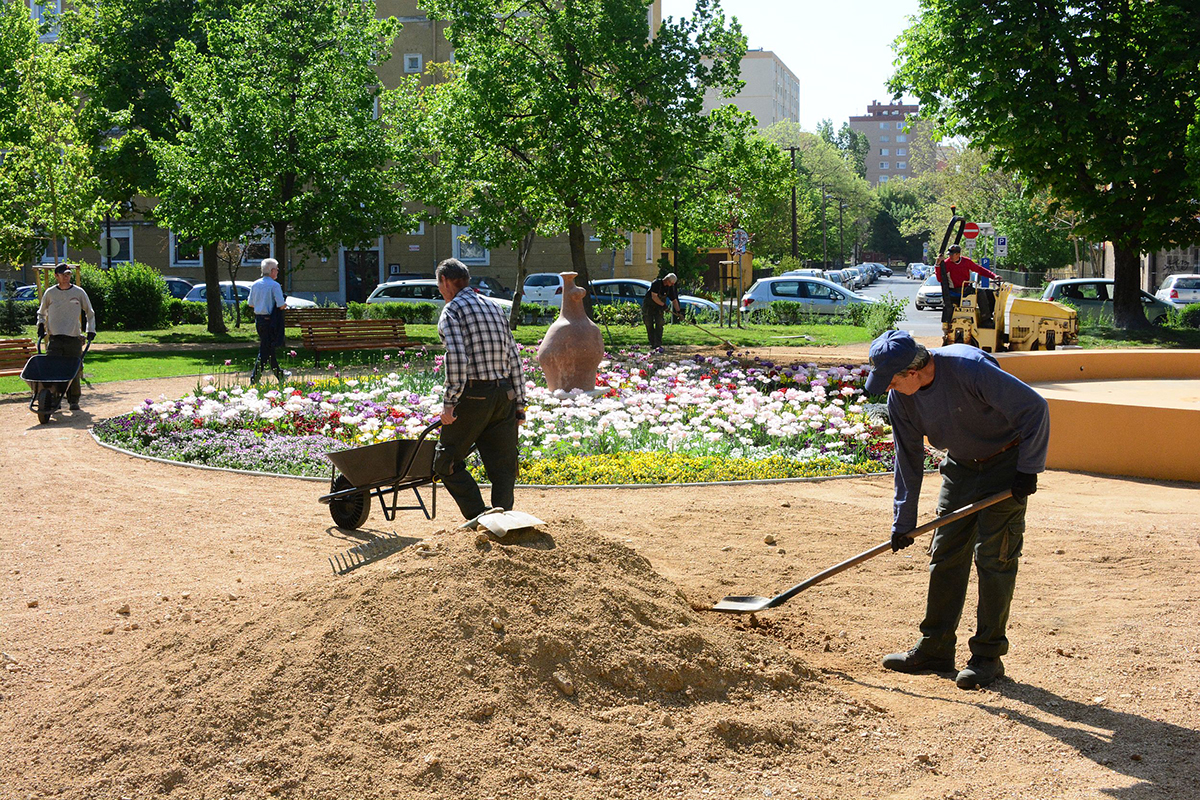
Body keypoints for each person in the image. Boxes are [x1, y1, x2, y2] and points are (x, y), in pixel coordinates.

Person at [864, 330, 1049, 690]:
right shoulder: (903, 400)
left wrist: (1028, 470)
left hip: (1006, 464)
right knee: (945, 552)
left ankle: (987, 657)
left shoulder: (970, 369)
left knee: (995, 557)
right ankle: (935, 648)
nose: (889, 390)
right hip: (961, 467)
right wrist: (903, 521)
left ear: (913, 372)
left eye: (892, 382)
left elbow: (1035, 409)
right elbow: (909, 458)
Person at [433, 258, 525, 523]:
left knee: (445, 461)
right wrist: (519, 404)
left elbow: (458, 358)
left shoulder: (452, 311)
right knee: (504, 466)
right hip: (504, 396)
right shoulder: (494, 307)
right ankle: (504, 521)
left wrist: (449, 402)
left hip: (474, 396)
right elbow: (514, 357)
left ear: (446, 282)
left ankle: (479, 516)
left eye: (439, 285)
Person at [36, 264, 97, 411]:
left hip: (73, 338)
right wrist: (40, 325)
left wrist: (91, 330)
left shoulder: (78, 292)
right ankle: (53, 399)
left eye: (68, 274)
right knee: (53, 370)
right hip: (55, 338)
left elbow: (90, 312)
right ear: (56, 276)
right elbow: (41, 312)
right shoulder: (50, 293)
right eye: (63, 274)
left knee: (73, 369)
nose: (66, 277)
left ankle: (73, 400)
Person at [247, 258, 287, 384]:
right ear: (272, 270)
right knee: (265, 350)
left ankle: (280, 375)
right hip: (270, 321)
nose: (278, 272)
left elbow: (250, 304)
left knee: (268, 349)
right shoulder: (275, 285)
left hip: (259, 320)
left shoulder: (255, 284)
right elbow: (281, 305)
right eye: (277, 269)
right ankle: (255, 378)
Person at [642, 272, 682, 348]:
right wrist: (664, 305)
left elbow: (674, 300)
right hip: (648, 306)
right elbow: (654, 297)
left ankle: (658, 344)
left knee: (660, 323)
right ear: (667, 280)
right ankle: (652, 343)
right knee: (649, 324)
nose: (672, 285)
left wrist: (678, 312)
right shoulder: (656, 283)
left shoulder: (669, 288)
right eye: (672, 283)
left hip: (659, 308)